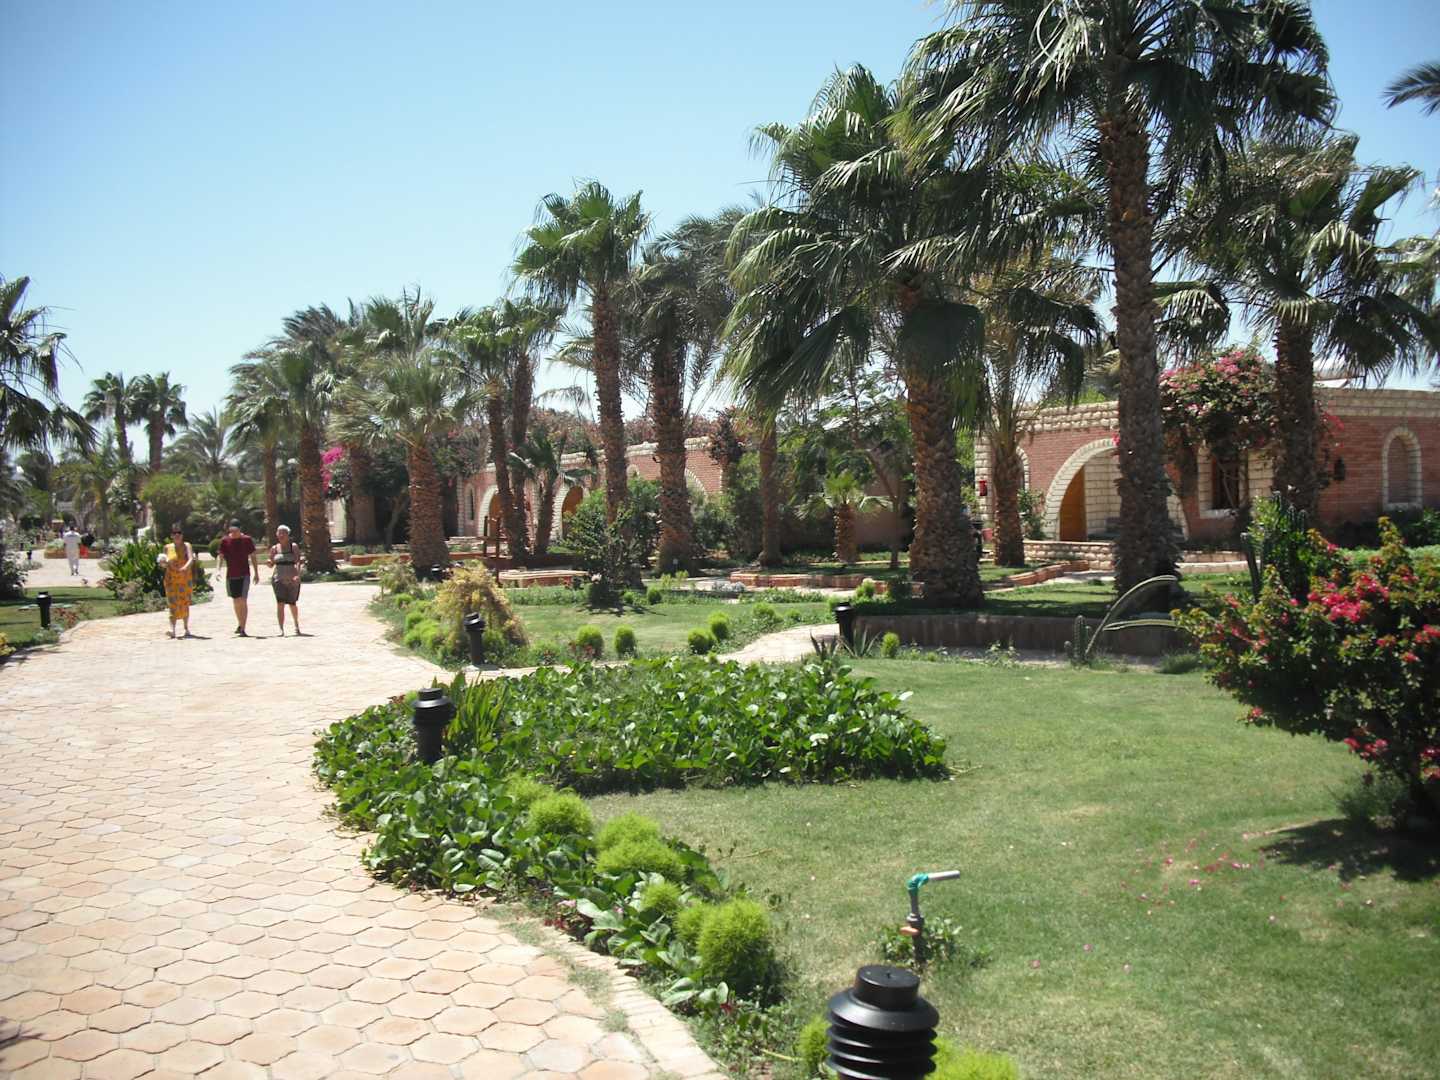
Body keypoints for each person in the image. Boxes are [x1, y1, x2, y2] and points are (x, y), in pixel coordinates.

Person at [217, 520, 260, 636]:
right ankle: (240, 623)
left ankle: (243, 628)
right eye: (232, 530)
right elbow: (220, 556)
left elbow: (253, 556)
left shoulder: (247, 540)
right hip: (231, 575)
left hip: (244, 574)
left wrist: (256, 573)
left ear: (240, 529)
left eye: (236, 530)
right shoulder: (225, 541)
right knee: (236, 601)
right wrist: (218, 570)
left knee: (243, 600)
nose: (234, 532)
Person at [268, 524, 305, 636]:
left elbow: (298, 561)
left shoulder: (293, 547)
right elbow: (271, 563)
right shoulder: (274, 548)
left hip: (292, 579)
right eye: (279, 533)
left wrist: (297, 575)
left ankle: (296, 625)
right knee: (280, 603)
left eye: (283, 533)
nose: (281, 535)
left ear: (288, 535)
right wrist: (269, 563)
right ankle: (281, 629)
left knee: (292, 604)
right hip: (278, 579)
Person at [161, 524, 196, 638]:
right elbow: (164, 563)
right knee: (172, 604)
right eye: (174, 533)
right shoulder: (167, 547)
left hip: (184, 579)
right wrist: (163, 563)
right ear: (171, 536)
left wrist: (185, 567)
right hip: (171, 579)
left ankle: (186, 628)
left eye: (179, 533)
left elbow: (191, 558)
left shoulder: (187, 545)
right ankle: (172, 630)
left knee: (185, 603)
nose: (177, 535)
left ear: (182, 535)